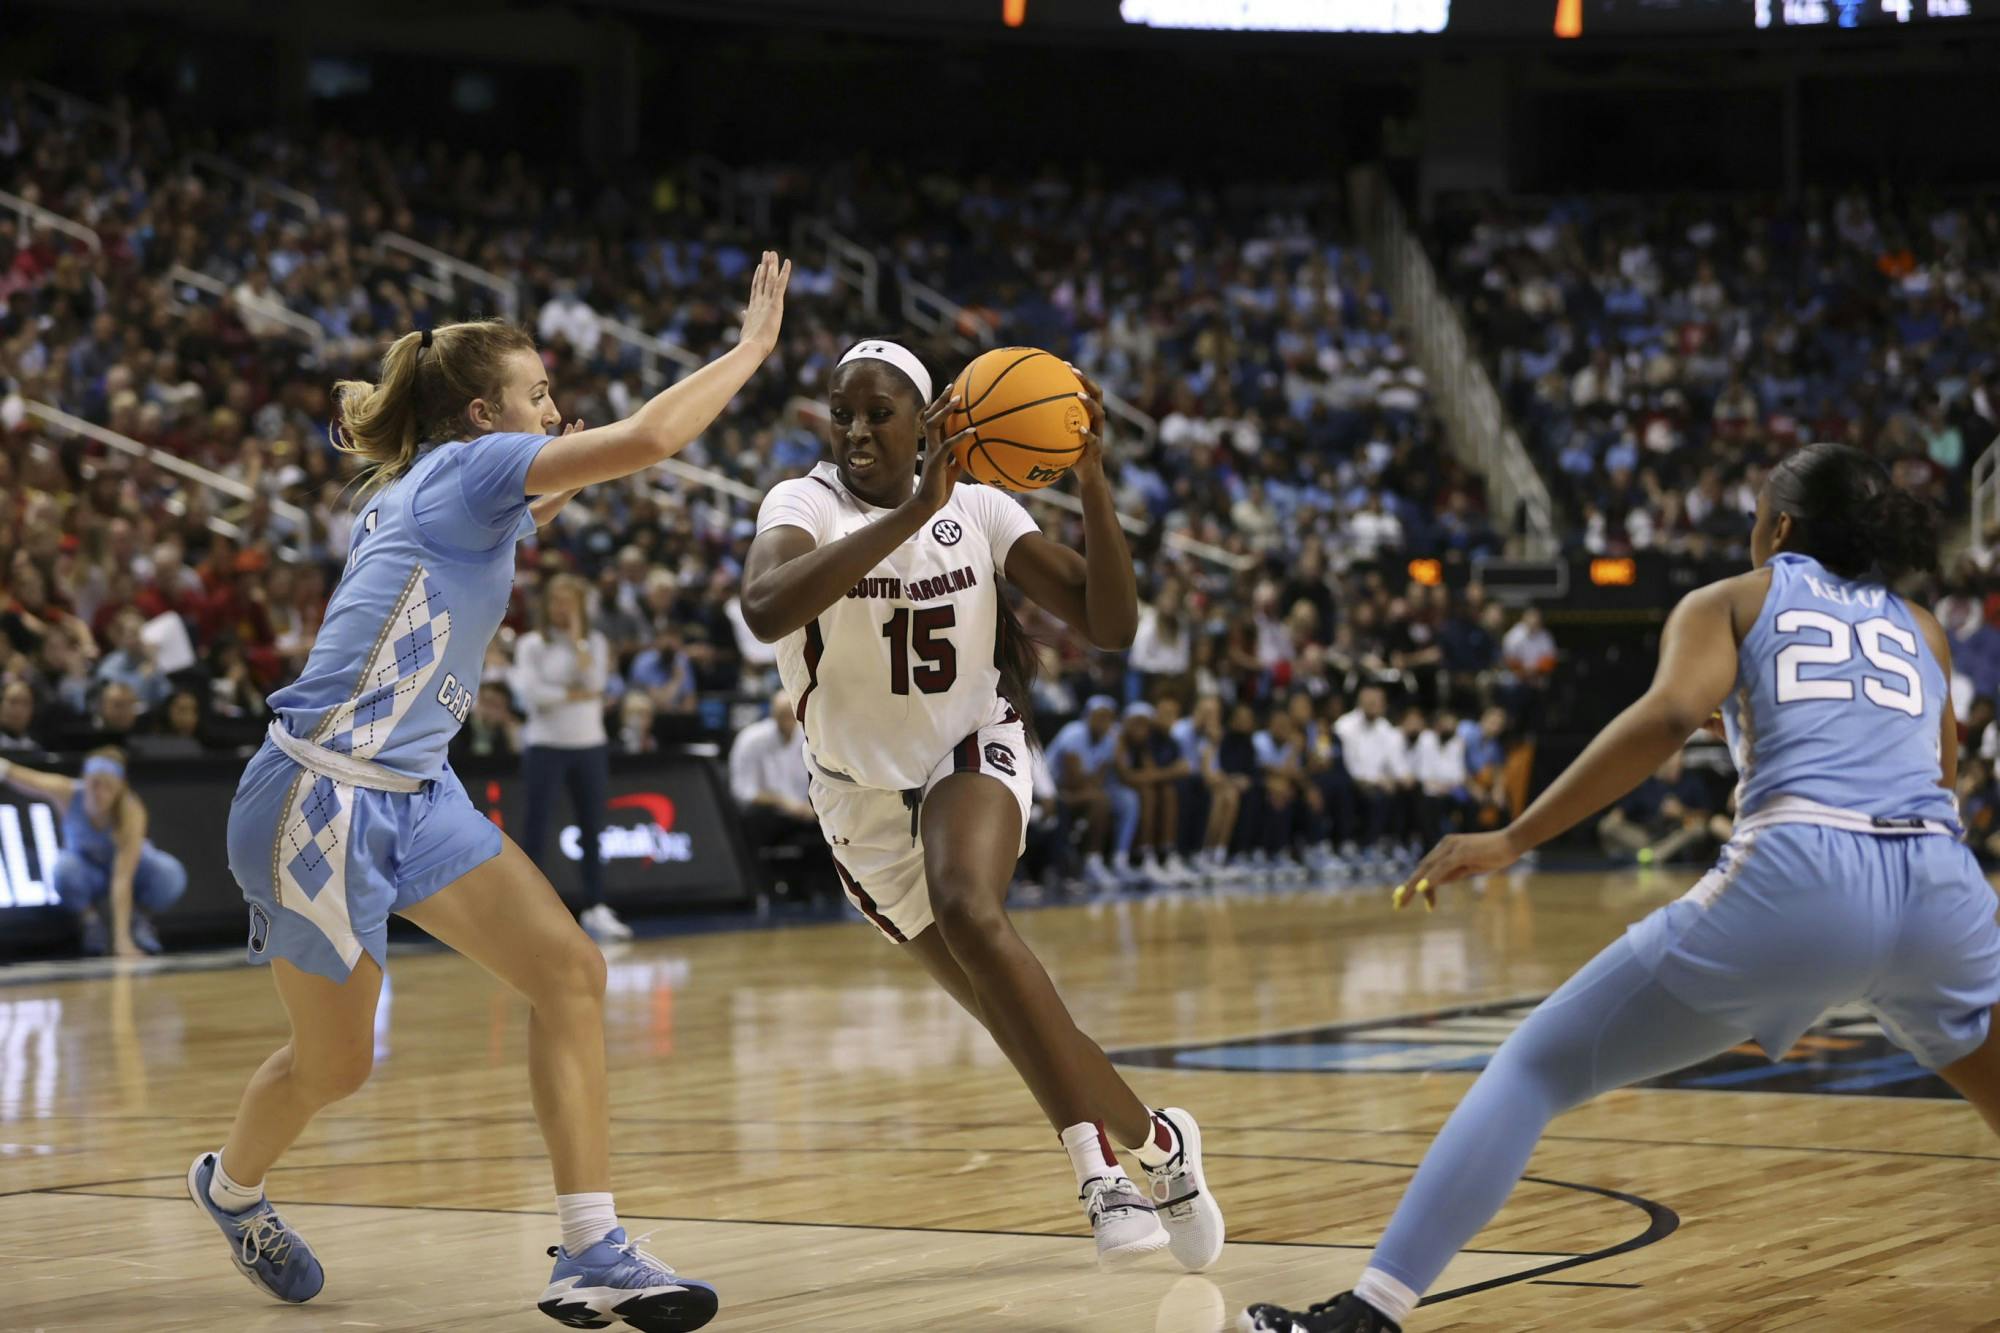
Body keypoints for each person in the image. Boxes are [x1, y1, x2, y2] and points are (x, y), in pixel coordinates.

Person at [1242, 444, 2000, 1331]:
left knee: (1534, 1066)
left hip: (1804, 869)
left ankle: (1368, 1312)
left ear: (1781, 527)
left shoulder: (1731, 600)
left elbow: (1673, 715)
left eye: (1758, 511)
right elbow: (1936, 773)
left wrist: (1515, 835)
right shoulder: (1921, 623)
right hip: (1941, 885)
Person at [193, 252, 791, 1331]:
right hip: (317, 797)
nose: (556, 412)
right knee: (333, 1067)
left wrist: (566, 461)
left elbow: (564, 484)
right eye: (540, 396)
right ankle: (230, 1188)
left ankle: (593, 1247)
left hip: (415, 791)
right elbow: (651, 442)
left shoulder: (454, 485)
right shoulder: (470, 473)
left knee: (568, 971)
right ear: (484, 413)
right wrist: (749, 351)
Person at [739, 339, 1224, 1272]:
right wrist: (910, 513)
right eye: (842, 413)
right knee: (1017, 1013)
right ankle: (1158, 1144)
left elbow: (1111, 624)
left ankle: (1098, 1172)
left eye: (879, 412)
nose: (856, 430)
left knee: (970, 905)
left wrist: (1089, 483)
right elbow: (765, 605)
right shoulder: (801, 504)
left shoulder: (983, 507)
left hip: (972, 747)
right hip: (860, 800)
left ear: (926, 422)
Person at [513, 574, 625, 944]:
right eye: (557, 600)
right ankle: (529, 911)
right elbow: (533, 695)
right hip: (545, 745)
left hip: (589, 744)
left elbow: (594, 683)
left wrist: (578, 640)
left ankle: (596, 906)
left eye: (570, 601)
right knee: (536, 829)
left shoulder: (593, 642)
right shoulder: (531, 644)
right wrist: (572, 694)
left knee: (593, 830)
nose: (562, 608)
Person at [0, 747, 187, 956]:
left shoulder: (131, 811)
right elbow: (28, 779)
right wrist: (4, 766)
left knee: (169, 873)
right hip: (87, 872)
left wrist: (122, 941)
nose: (99, 792)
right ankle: (90, 922)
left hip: (128, 874)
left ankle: (137, 921)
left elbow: (122, 879)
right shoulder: (68, 793)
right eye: (94, 784)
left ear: (119, 788)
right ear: (84, 780)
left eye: (108, 786)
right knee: (64, 870)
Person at [727, 689, 826, 901]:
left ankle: (825, 891)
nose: (789, 721)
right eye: (783, 715)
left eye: (792, 715)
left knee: (831, 821)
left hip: (803, 810)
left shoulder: (809, 738)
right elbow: (742, 791)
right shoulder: (751, 740)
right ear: (773, 715)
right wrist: (783, 802)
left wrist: (812, 807)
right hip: (767, 813)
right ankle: (761, 890)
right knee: (754, 820)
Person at [1046, 695, 1136, 890]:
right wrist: (1089, 784)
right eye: (1098, 716)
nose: (1103, 722)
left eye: (1108, 717)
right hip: (1052, 792)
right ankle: (1090, 862)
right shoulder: (1074, 733)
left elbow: (1099, 779)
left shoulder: (1110, 739)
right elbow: (1072, 780)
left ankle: (1111, 860)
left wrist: (1089, 784)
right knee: (1100, 800)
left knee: (1121, 799)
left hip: (1080, 792)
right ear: (1087, 716)